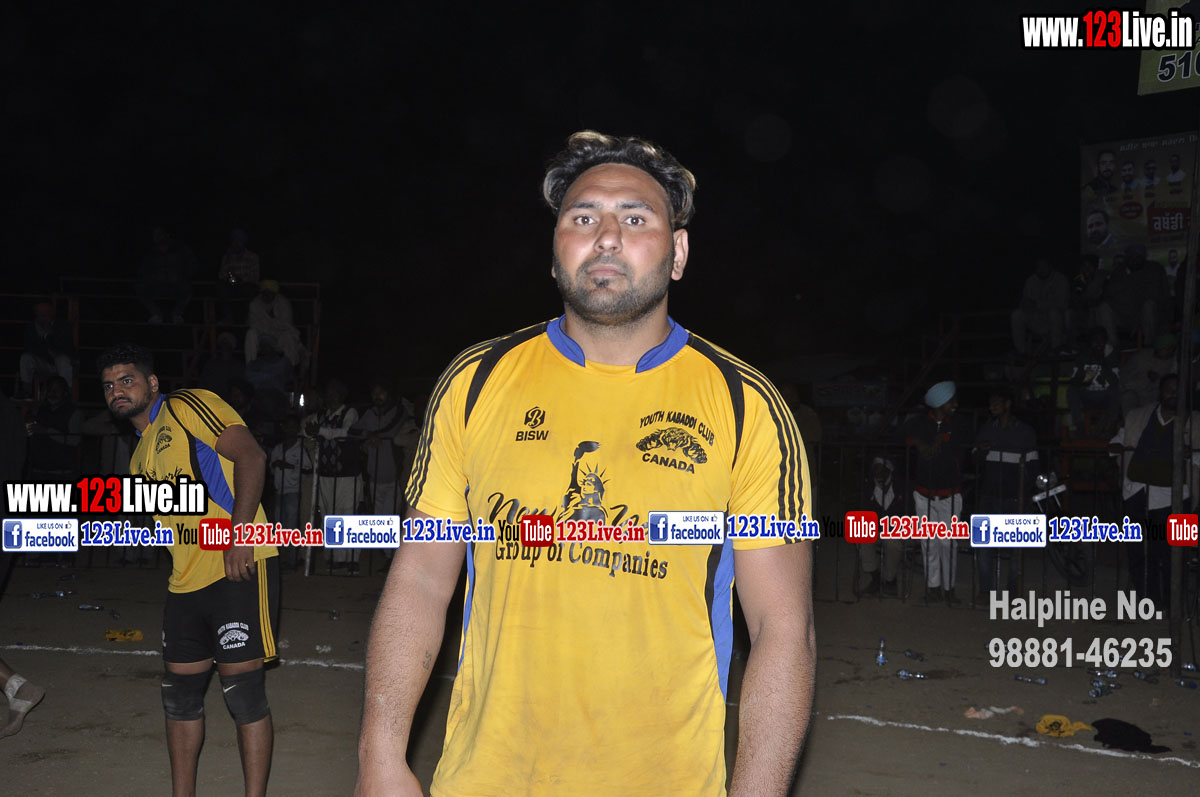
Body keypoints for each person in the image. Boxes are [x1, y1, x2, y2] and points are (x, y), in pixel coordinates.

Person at [355, 131, 815, 796]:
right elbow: (423, 577)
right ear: (554, 252)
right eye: (582, 217)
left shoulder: (748, 406)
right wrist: (379, 753)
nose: (606, 237)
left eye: (636, 218)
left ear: (679, 253)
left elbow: (782, 628)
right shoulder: (475, 382)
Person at [96, 344, 279, 797]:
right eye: (109, 385)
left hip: (238, 566)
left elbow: (252, 457)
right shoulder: (138, 459)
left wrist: (240, 535)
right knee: (178, 698)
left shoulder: (185, 406)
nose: (117, 390)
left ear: (152, 383)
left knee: (243, 694)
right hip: (185, 583)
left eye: (126, 380)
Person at [1109, 375, 1200, 611]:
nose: (1173, 394)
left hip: (1181, 496)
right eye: (1169, 390)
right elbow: (1116, 442)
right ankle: (1147, 600)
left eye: (1178, 390)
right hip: (1136, 492)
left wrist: (1192, 453)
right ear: (1160, 392)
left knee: (1176, 553)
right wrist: (1119, 448)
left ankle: (1173, 603)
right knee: (1138, 550)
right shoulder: (1138, 416)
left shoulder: (1196, 422)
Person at [904, 380, 968, 605]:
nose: (955, 404)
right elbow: (899, 436)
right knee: (929, 542)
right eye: (951, 401)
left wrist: (943, 440)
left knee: (948, 543)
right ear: (940, 402)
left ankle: (949, 588)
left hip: (950, 493)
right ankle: (933, 588)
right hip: (924, 493)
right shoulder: (920, 423)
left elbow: (966, 444)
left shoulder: (958, 424)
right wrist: (918, 442)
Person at [973, 389, 1039, 601]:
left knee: (1016, 549)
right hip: (989, 494)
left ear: (1008, 404)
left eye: (996, 403)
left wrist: (1024, 491)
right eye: (990, 403)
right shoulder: (986, 429)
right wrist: (981, 451)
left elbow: (1033, 466)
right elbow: (974, 461)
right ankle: (985, 591)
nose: (991, 407)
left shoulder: (1025, 432)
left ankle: (1013, 591)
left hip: (1015, 496)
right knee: (985, 546)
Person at [309, 379, 361, 571]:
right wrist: (311, 431)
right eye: (328, 392)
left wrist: (320, 431)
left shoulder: (350, 412)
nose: (330, 396)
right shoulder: (322, 415)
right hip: (326, 474)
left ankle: (352, 558)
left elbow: (346, 432)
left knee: (348, 514)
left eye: (334, 392)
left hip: (347, 473)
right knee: (330, 515)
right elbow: (306, 429)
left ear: (341, 394)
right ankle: (338, 558)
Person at [351, 382, 408, 516]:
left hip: (394, 480)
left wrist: (373, 436)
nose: (377, 396)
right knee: (377, 519)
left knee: (389, 519)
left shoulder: (399, 410)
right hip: (374, 479)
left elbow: (392, 430)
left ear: (388, 394)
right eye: (374, 393)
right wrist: (368, 435)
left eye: (381, 393)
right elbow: (352, 431)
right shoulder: (370, 413)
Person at [268, 414, 313, 570]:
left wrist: (289, 466)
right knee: (279, 527)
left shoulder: (300, 449)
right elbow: (271, 468)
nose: (290, 429)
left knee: (291, 526)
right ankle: (280, 560)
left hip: (293, 491)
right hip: (279, 491)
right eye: (288, 426)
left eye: (293, 426)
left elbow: (308, 469)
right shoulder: (278, 448)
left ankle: (291, 561)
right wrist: (277, 465)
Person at [858, 456, 906, 597]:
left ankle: (890, 580)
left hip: (897, 530)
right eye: (875, 469)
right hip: (876, 528)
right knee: (861, 537)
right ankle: (876, 578)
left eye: (881, 468)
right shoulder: (869, 487)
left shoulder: (901, 487)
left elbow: (908, 514)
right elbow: (863, 513)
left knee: (892, 542)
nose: (878, 472)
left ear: (889, 469)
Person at [1067, 327, 1121, 437]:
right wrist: (1084, 379)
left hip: (1105, 396)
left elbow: (1115, 382)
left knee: (1116, 390)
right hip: (1087, 395)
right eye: (1095, 340)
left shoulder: (1111, 354)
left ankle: (1112, 425)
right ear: (1090, 342)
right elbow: (1073, 381)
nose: (1098, 344)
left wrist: (1102, 362)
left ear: (1105, 341)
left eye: (1101, 340)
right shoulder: (1083, 355)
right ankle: (1080, 426)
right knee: (1072, 391)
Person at [136, 227, 197, 324]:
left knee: (188, 289)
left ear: (167, 235)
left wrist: (181, 276)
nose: (156, 237)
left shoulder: (181, 250)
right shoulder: (151, 253)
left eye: (159, 234)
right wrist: (152, 277)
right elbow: (143, 271)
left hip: (177, 285)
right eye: (155, 235)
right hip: (157, 286)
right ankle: (156, 314)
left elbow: (192, 266)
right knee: (139, 288)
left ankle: (177, 314)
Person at [1011, 258, 1069, 355]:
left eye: (1044, 266)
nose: (1041, 269)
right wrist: (1025, 305)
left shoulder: (1061, 280)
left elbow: (1061, 303)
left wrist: (1037, 304)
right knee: (1016, 315)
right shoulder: (1031, 281)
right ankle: (1021, 352)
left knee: (1054, 313)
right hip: (1037, 320)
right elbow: (1024, 301)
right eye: (1038, 267)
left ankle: (1056, 349)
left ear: (1050, 267)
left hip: (1056, 322)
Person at [19, 302, 75, 400]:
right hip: (43, 363)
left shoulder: (63, 326)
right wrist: (43, 342)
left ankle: (66, 393)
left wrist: (49, 336)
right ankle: (26, 391)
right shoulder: (32, 327)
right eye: (40, 315)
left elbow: (66, 349)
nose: (42, 319)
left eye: (45, 315)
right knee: (26, 358)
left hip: (61, 366)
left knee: (63, 360)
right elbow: (29, 347)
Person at [245, 280, 305, 369]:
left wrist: (272, 320)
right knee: (250, 333)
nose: (267, 295)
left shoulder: (283, 303)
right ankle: (251, 367)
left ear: (275, 293)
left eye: (269, 293)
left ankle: (290, 369)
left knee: (289, 337)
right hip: (262, 337)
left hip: (279, 338)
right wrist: (266, 340)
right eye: (264, 292)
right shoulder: (254, 304)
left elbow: (287, 326)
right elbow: (254, 325)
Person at [1120, 333, 1178, 415]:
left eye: (1172, 348)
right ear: (1158, 348)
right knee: (1127, 397)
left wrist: (1158, 380)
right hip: (1136, 393)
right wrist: (1144, 378)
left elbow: (1171, 386)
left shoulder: (1173, 362)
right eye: (1167, 348)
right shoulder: (1141, 357)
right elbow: (1124, 377)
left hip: (1155, 398)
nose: (1170, 351)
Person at [217, 228, 261, 324]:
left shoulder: (253, 257)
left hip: (246, 285)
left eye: (239, 241)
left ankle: (250, 318)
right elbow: (222, 275)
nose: (236, 244)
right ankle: (227, 317)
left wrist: (241, 280)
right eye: (234, 241)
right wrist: (231, 278)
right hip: (232, 284)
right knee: (220, 287)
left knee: (251, 289)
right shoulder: (227, 257)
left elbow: (255, 277)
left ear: (244, 242)